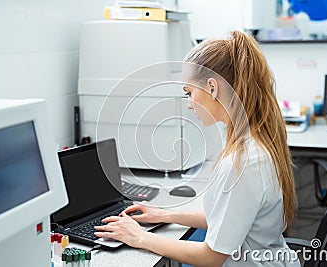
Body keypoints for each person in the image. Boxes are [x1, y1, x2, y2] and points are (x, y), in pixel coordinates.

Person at [94, 31, 300, 266]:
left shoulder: (244, 162)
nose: (189, 104)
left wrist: (138, 237)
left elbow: (211, 257)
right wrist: (165, 215)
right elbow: (228, 218)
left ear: (212, 87)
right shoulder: (254, 139)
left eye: (188, 93)